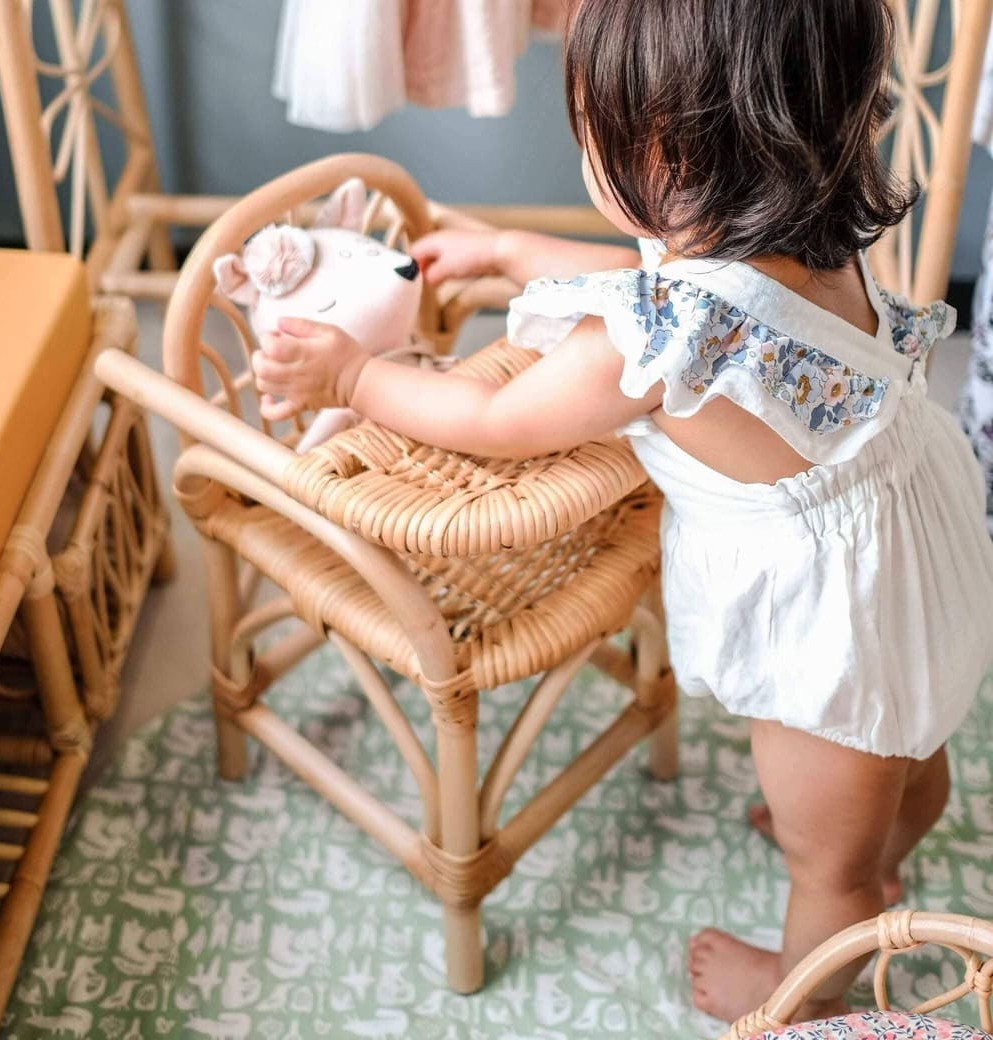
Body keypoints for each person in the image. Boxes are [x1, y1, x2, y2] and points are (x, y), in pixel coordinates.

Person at [249, 0, 993, 1024]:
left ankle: (812, 979)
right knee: (906, 751)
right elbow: (671, 292)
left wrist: (355, 374)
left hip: (837, 617)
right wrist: (514, 249)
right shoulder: (808, 239)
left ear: (664, 153)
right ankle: (879, 836)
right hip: (913, 548)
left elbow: (491, 412)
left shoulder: (653, 342)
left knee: (829, 855)